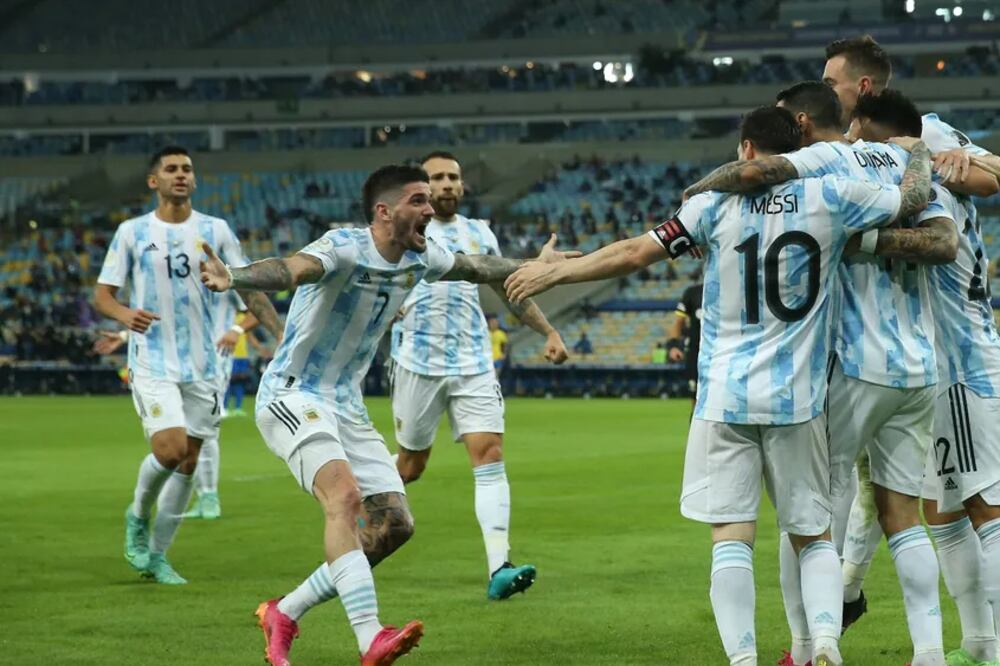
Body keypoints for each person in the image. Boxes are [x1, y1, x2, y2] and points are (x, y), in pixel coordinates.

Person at [505, 106, 934, 666]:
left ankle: (743, 660)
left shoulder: (711, 205)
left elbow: (634, 252)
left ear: (747, 150)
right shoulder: (833, 196)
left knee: (731, 538)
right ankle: (826, 642)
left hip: (724, 397)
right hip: (798, 399)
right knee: (812, 536)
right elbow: (911, 200)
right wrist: (916, 152)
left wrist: (557, 271)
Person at [199, 164, 576, 666]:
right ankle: (370, 638)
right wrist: (236, 277)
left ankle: (285, 611)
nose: (429, 210)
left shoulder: (422, 257)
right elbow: (290, 269)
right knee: (344, 496)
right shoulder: (344, 247)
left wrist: (535, 265)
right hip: (294, 394)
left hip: (346, 405)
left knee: (394, 525)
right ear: (384, 211)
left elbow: (478, 267)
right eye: (418, 201)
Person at [682, 84, 964, 666]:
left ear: (812, 120)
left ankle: (809, 648)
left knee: (808, 520)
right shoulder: (910, 165)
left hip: (852, 365)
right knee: (903, 515)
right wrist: (916, 159)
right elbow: (944, 242)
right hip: (918, 364)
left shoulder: (824, 164)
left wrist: (696, 197)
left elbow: (753, 173)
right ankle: (931, 653)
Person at [93, 145, 281, 585]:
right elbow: (103, 294)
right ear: (153, 181)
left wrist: (280, 333)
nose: (181, 174)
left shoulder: (216, 230)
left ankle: (158, 556)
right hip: (154, 360)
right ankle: (138, 515)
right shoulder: (132, 232)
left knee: (190, 461)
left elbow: (248, 286)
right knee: (170, 449)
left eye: (187, 169)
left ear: (194, 180)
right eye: (171, 169)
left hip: (206, 364)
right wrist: (124, 316)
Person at [389, 151, 569, 600]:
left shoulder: (479, 232)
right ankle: (359, 501)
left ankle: (499, 568)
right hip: (417, 362)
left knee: (489, 455)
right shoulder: (403, 232)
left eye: (453, 177)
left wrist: (548, 330)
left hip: (472, 362)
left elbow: (507, 289)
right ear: (421, 188)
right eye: (437, 178)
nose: (447, 184)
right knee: (411, 466)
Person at [669, 280, 704, 403]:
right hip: (696, 351)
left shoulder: (729, 290)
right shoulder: (693, 292)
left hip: (720, 350)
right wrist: (673, 345)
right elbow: (679, 321)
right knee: (696, 395)